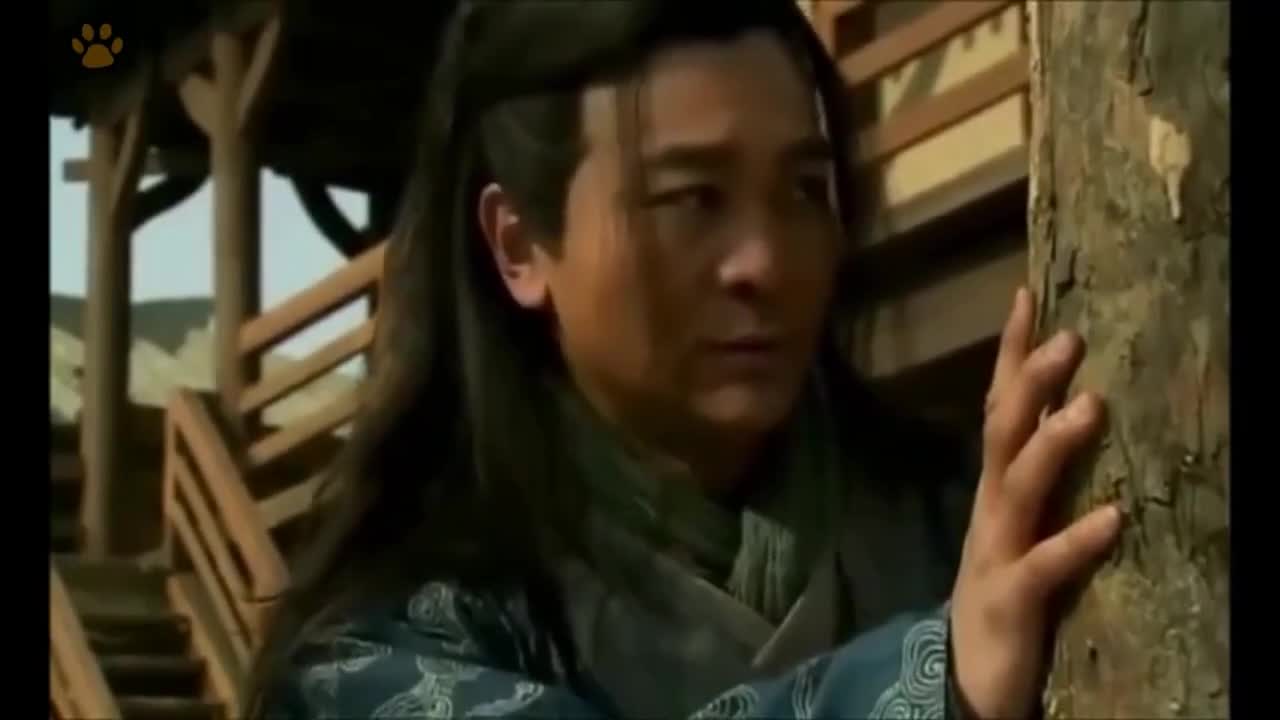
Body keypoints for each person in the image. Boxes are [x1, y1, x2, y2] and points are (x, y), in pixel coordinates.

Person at [251, 2, 1122, 718]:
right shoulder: (384, 652)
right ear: (518, 244)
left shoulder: (961, 523)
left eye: (803, 191)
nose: (763, 263)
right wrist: (942, 677)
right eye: (693, 199)